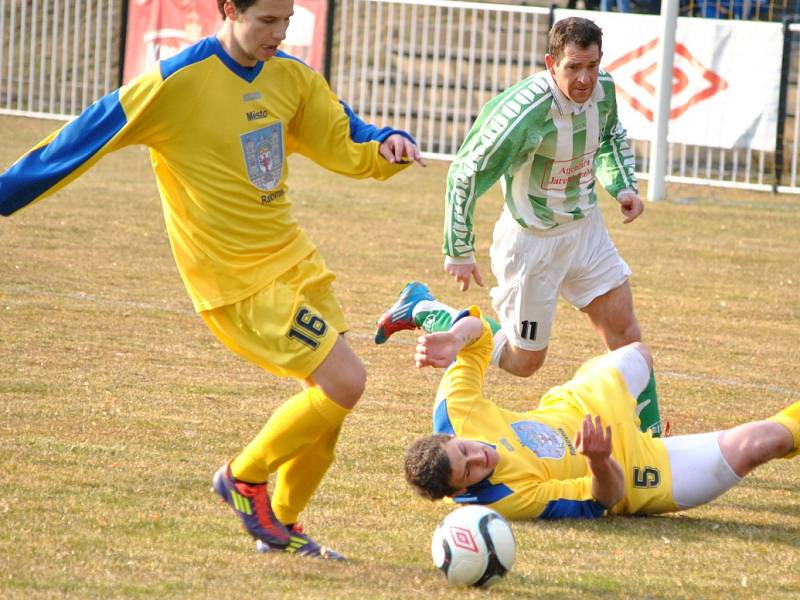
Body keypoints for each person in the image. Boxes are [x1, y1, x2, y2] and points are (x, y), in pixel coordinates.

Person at [0, 0, 424, 560]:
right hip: (238, 281)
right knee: (345, 384)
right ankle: (243, 481)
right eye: (267, 20)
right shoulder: (175, 82)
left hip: (295, 262)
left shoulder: (292, 78)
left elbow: (345, 134)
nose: (279, 33)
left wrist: (385, 144)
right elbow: (79, 139)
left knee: (325, 412)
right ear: (228, 8)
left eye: (287, 21)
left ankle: (284, 529)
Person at [437, 17, 663, 436]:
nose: (584, 79)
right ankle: (437, 315)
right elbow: (467, 171)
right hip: (532, 245)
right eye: (573, 67)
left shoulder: (604, 90)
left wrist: (623, 187)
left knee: (626, 335)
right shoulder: (522, 112)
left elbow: (610, 136)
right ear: (550, 63)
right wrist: (459, 249)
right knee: (526, 362)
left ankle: (651, 441)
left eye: (592, 66)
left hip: (585, 232)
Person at [398, 307, 799, 519]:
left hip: (583, 403)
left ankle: (650, 427)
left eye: (465, 449)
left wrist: (455, 337)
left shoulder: (455, 409)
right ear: (463, 492)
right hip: (637, 471)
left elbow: (479, 335)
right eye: (469, 470)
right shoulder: (505, 499)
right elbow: (605, 498)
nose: (478, 457)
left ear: (451, 436)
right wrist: (598, 459)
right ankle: (652, 443)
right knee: (764, 443)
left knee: (637, 353)